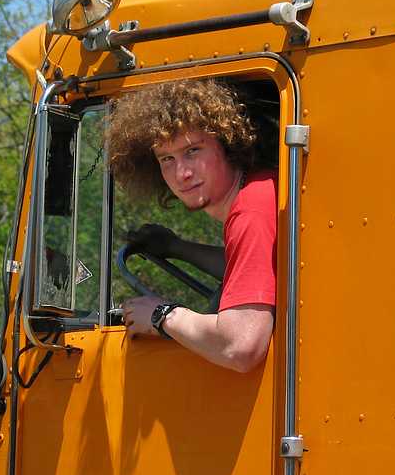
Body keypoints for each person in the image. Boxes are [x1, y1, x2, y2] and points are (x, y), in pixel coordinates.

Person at [106, 79, 277, 373]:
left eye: (193, 151)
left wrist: (162, 315)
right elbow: (253, 269)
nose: (182, 173)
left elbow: (241, 346)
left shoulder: (252, 209)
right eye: (167, 159)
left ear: (228, 142)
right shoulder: (259, 191)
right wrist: (177, 248)